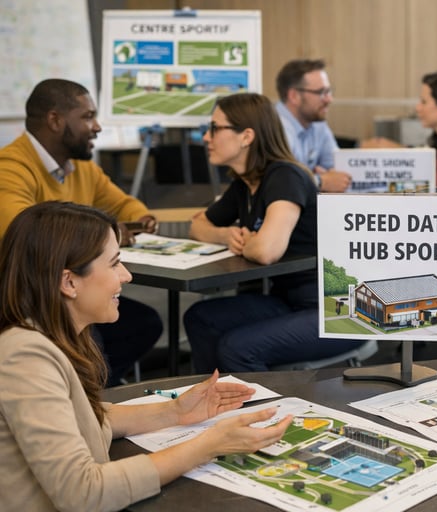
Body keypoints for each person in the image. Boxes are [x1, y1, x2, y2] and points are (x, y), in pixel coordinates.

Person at [0, 201, 293, 512]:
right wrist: (209, 445)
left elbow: (83, 418)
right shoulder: (26, 357)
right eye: (114, 264)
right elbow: (84, 493)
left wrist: (176, 411)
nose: (126, 276)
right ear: (69, 282)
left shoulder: (47, 339)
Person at [182, 92, 366, 372]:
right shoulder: (245, 184)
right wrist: (227, 236)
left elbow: (267, 251)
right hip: (290, 301)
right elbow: (197, 226)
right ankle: (215, 397)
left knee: (237, 348)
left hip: (337, 310)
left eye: (215, 128)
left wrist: (250, 242)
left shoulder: (285, 176)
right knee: (200, 317)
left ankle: (259, 402)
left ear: (246, 137)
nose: (207, 137)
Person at [0, 78, 162, 386]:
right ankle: (84, 395)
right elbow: (29, 236)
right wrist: (108, 233)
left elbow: (124, 205)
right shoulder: (9, 167)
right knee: (93, 342)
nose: (97, 127)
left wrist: (141, 219)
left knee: (144, 324)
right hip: (29, 299)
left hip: (68, 293)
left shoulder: (80, 167)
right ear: (55, 120)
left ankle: (94, 394)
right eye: (88, 117)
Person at [275, 58, 352, 192]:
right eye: (321, 92)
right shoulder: (275, 126)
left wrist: (329, 177)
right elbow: (282, 181)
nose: (329, 99)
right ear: (294, 96)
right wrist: (320, 181)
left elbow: (337, 171)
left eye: (329, 91)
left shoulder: (317, 122)